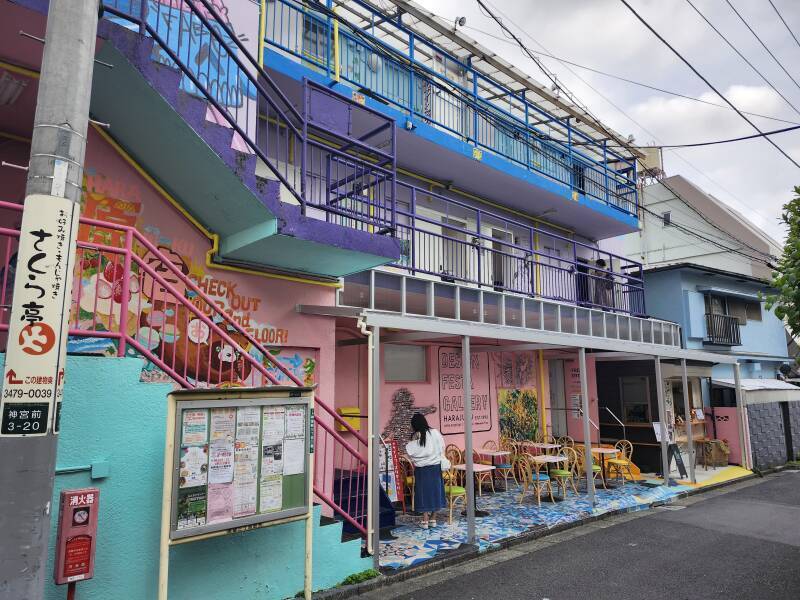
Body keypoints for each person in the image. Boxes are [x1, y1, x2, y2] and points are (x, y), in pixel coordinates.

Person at [405, 413, 447, 529]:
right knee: (436, 492)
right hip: (435, 468)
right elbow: (442, 447)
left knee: (423, 493)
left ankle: (425, 520)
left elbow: (411, 452)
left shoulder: (416, 435)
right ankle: (433, 519)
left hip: (422, 470)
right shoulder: (435, 433)